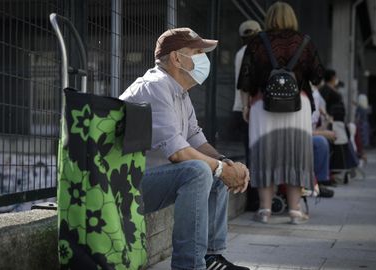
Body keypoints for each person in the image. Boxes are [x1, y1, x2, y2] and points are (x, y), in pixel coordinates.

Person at [119, 28, 250, 270]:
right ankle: (189, 265)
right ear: (177, 58)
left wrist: (226, 163)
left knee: (213, 170)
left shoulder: (178, 91)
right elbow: (178, 152)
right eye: (198, 51)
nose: (204, 58)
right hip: (123, 186)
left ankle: (211, 258)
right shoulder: (155, 86)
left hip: (147, 180)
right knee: (200, 171)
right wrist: (222, 169)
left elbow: (196, 139)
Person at [238, 1, 324, 224]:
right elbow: (317, 76)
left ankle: (265, 210)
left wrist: (246, 106)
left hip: (262, 105)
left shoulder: (257, 42)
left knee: (264, 154)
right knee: (296, 153)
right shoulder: (304, 42)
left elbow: (245, 79)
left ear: (269, 18)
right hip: (298, 106)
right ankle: (295, 211)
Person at [233, 20, 261, 211]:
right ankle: (258, 199)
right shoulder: (257, 53)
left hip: (239, 108)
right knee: (258, 155)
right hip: (252, 109)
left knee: (250, 155)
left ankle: (253, 200)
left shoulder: (239, 53)